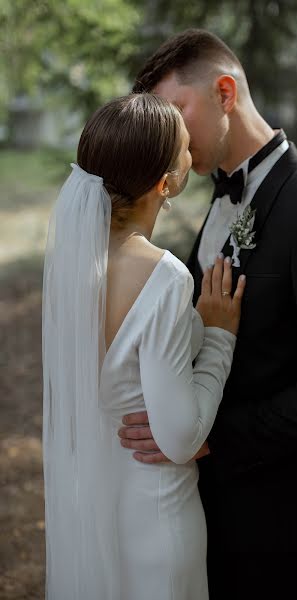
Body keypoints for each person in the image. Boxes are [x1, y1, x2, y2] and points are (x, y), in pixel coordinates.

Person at [118, 29, 297, 599]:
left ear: (224, 93)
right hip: (202, 493)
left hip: (273, 499)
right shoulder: (220, 195)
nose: (170, 132)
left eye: (177, 111)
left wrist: (217, 437)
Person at [41, 92, 246, 600]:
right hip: (158, 519)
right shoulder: (166, 277)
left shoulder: (70, 266)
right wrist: (218, 336)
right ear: (166, 182)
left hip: (95, 512)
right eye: (183, 147)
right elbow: (179, 438)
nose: (191, 147)